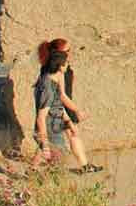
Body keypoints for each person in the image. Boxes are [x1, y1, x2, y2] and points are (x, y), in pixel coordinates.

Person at [33, 39, 101, 173]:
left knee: (53, 151)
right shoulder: (49, 82)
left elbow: (60, 98)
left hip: (58, 114)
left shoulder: (57, 74)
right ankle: (35, 177)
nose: (70, 55)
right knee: (53, 152)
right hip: (51, 121)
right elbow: (44, 114)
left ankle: (33, 174)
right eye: (68, 51)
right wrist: (45, 142)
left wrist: (71, 116)